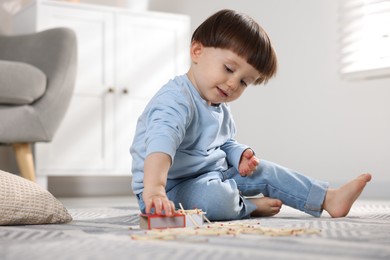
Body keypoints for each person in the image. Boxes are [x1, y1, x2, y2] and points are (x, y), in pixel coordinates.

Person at [130, 9, 372, 221]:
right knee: (216, 199)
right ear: (197, 51)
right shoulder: (175, 100)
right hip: (170, 188)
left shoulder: (218, 104)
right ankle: (248, 206)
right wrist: (154, 190)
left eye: (245, 82)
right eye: (228, 69)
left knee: (265, 170)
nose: (233, 83)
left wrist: (239, 154)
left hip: (211, 175)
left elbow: (224, 143)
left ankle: (327, 198)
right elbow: (161, 145)